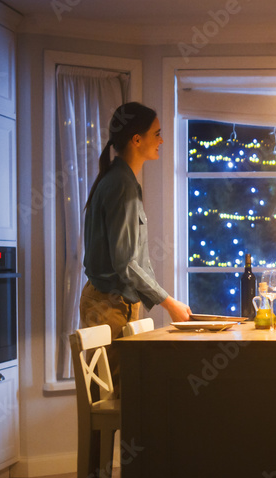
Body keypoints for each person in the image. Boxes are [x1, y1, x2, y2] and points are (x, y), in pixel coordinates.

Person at [81, 101, 192, 342]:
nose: (161, 141)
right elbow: (125, 263)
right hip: (109, 306)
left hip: (114, 303)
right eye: (157, 134)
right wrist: (169, 303)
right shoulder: (121, 184)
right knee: (117, 381)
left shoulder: (122, 180)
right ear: (136, 140)